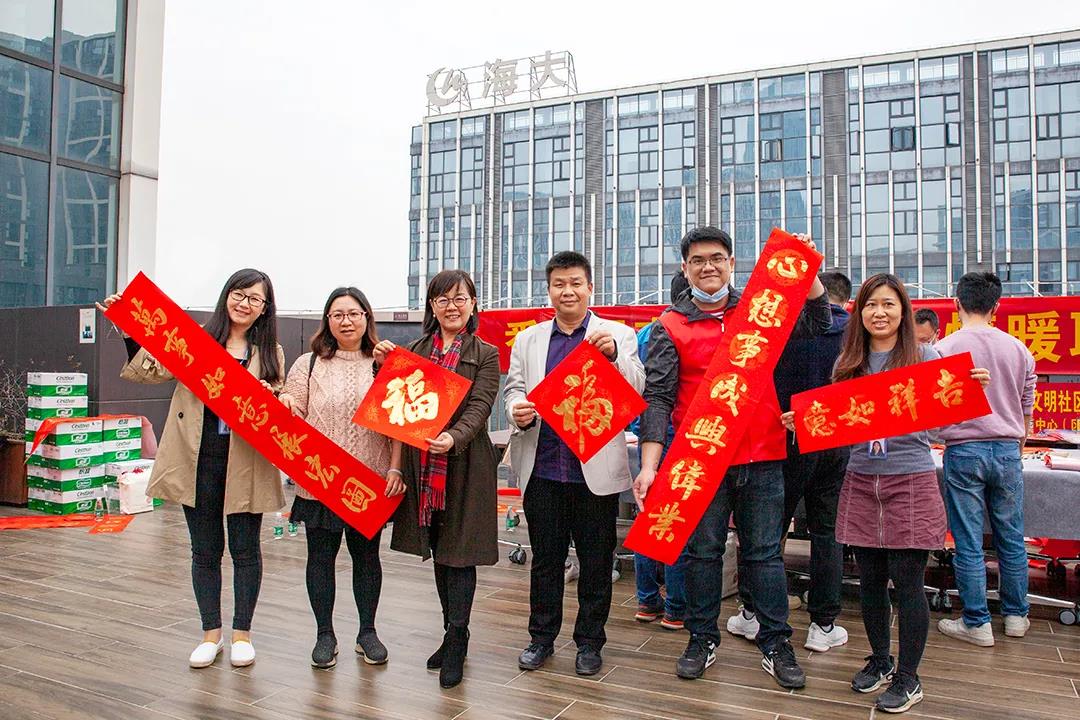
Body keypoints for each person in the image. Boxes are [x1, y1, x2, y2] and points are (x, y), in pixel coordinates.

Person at [634, 226, 832, 690]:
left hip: (762, 454)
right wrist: (649, 466)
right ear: (685, 269)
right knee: (702, 553)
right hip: (700, 458)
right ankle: (701, 639)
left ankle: (776, 643)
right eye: (698, 260)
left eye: (717, 258)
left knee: (763, 554)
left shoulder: (759, 311)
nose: (708, 267)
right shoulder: (669, 326)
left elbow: (818, 322)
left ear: (732, 263)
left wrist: (806, 267)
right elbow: (658, 398)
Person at [784, 273, 989, 714]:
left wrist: (966, 390)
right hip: (860, 478)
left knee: (908, 581)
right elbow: (838, 422)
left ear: (903, 311)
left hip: (909, 478)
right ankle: (880, 659)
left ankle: (909, 677)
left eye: (888, 304)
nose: (879, 313)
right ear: (859, 313)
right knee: (871, 580)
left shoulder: (924, 356)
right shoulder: (849, 361)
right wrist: (806, 421)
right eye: (871, 305)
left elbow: (940, 426)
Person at [98, 269, 285, 669]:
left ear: (265, 308)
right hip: (196, 456)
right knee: (204, 550)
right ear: (226, 295)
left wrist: (271, 396)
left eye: (255, 298)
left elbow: (280, 404)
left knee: (245, 550)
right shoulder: (196, 340)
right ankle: (210, 634)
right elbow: (152, 369)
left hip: (246, 462)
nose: (245, 304)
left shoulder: (271, 353)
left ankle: (242, 635)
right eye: (239, 294)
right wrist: (129, 330)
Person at [504, 251, 645, 676]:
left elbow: (637, 388)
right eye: (559, 284)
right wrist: (515, 410)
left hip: (594, 471)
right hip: (543, 467)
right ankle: (541, 638)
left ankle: (589, 642)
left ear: (590, 288)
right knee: (546, 561)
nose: (567, 291)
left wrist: (614, 357)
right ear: (549, 290)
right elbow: (513, 389)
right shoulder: (529, 340)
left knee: (596, 562)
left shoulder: (617, 334)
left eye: (575, 283)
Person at [374, 269, 500, 690]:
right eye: (443, 299)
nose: (452, 306)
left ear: (473, 303)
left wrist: (454, 436)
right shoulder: (414, 351)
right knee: (439, 550)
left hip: (466, 464)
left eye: (460, 298)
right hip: (422, 467)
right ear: (432, 306)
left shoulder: (485, 353)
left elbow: (481, 405)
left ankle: (458, 639)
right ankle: (450, 632)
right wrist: (381, 367)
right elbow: (394, 405)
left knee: (460, 554)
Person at [278, 287, 405, 669]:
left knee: (367, 558)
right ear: (327, 321)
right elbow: (293, 409)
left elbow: (399, 424)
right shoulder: (308, 364)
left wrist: (395, 468)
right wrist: (285, 402)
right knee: (320, 558)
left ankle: (367, 632)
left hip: (369, 480)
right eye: (338, 315)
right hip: (321, 480)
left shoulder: (383, 363)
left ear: (367, 317)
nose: (346, 321)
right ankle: (324, 635)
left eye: (353, 313)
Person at [728, 271, 852, 653]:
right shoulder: (854, 332)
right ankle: (823, 624)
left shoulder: (781, 329)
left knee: (767, 532)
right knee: (827, 534)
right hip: (835, 439)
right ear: (845, 299)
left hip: (785, 437)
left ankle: (752, 612)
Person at [934, 272, 1036, 646]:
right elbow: (1027, 409)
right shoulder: (1019, 349)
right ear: (997, 306)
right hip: (1008, 449)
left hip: (964, 450)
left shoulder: (944, 349)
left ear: (956, 303)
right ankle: (1016, 616)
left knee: (968, 540)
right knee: (1011, 537)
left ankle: (976, 621)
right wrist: (1017, 445)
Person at [632, 271, 690, 631]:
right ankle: (677, 606)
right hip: (679, 436)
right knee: (676, 521)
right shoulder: (686, 329)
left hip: (647, 435)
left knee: (649, 517)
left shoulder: (644, 333)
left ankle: (647, 600)